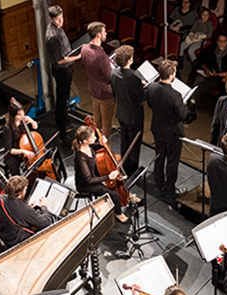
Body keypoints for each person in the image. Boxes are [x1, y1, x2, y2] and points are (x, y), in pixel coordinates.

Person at [146, 60, 190, 200]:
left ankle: (159, 183)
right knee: (172, 161)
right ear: (171, 75)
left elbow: (151, 105)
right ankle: (169, 189)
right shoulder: (175, 95)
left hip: (158, 127)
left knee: (159, 156)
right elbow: (182, 115)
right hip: (172, 133)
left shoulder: (151, 88)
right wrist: (184, 105)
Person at [72, 125, 129, 223]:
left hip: (94, 174)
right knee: (114, 195)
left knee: (118, 179)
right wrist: (108, 177)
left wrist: (101, 144)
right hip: (86, 185)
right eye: (92, 137)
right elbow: (88, 180)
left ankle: (128, 195)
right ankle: (118, 213)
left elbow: (94, 146)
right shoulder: (81, 158)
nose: (95, 138)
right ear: (85, 141)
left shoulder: (88, 146)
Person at [46, 5, 81, 144]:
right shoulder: (52, 36)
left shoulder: (58, 28)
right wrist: (77, 57)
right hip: (62, 70)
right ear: (51, 18)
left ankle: (66, 120)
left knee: (65, 97)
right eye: (58, 19)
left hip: (67, 68)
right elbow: (60, 60)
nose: (61, 21)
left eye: (62, 18)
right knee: (61, 100)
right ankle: (62, 130)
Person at [110, 45, 145, 178]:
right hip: (134, 116)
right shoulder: (133, 77)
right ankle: (133, 171)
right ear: (130, 60)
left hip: (121, 112)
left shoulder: (113, 73)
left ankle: (124, 166)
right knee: (134, 144)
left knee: (125, 140)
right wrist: (144, 86)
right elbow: (141, 97)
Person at [0, 175, 54, 248]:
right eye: (25, 189)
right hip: (17, 241)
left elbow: (15, 210)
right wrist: (44, 206)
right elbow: (45, 223)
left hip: (4, 234)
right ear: (20, 192)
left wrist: (26, 207)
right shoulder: (25, 210)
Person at [81, 21, 116, 140]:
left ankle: (94, 144)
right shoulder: (101, 55)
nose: (106, 33)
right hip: (105, 93)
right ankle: (107, 154)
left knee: (96, 120)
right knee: (106, 124)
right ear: (98, 35)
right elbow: (109, 76)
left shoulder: (84, 49)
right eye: (104, 32)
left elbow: (85, 67)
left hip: (93, 89)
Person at [1, 99, 39, 177]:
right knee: (16, 172)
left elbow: (35, 127)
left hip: (25, 148)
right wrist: (24, 151)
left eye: (23, 113)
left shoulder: (23, 120)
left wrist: (32, 121)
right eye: (19, 115)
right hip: (14, 154)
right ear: (13, 115)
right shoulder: (8, 128)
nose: (22, 116)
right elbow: (10, 150)